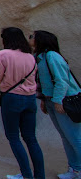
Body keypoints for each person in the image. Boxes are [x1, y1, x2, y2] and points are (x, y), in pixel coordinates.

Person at [0, 27, 44, 179]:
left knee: (13, 137)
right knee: (31, 138)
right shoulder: (30, 56)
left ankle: (26, 175)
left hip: (12, 98)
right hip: (30, 99)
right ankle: (39, 176)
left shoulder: (3, 54)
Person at [32, 30, 81, 179]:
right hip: (52, 101)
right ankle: (75, 170)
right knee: (66, 136)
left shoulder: (52, 56)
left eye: (32, 36)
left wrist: (58, 101)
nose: (30, 38)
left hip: (64, 101)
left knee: (74, 137)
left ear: (41, 40)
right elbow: (43, 81)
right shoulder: (40, 57)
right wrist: (43, 100)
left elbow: (62, 81)